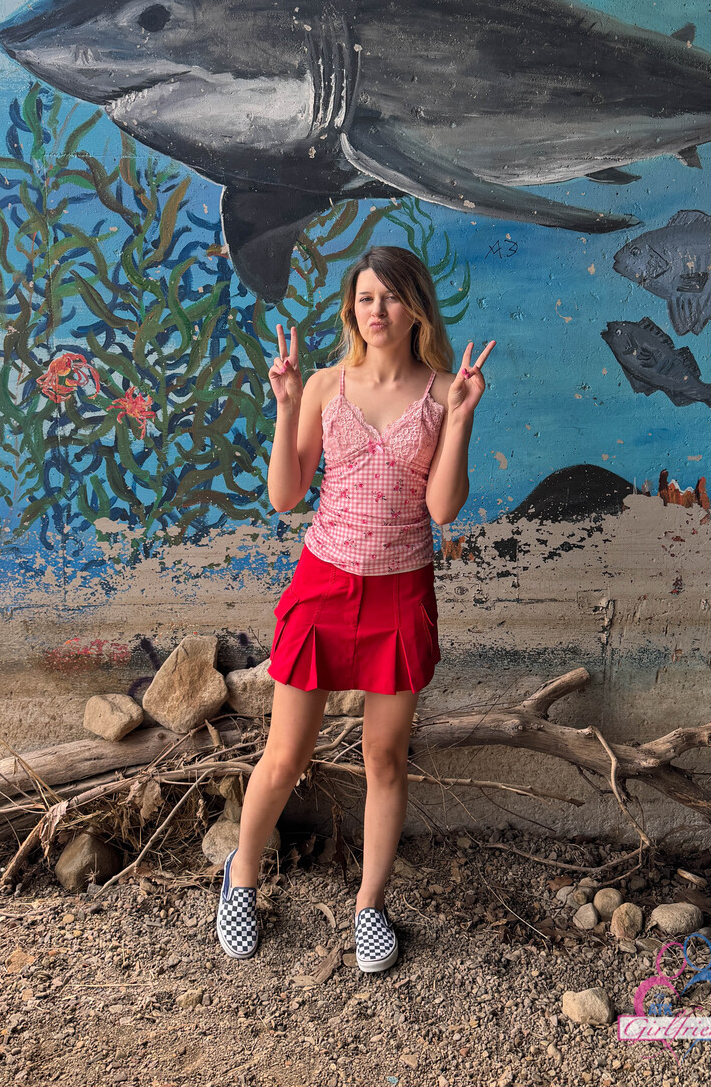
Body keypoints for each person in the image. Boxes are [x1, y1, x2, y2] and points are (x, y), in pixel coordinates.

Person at [216, 244, 494, 971]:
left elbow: (442, 509)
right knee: (286, 755)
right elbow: (285, 496)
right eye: (366, 297)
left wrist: (461, 419)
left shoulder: (444, 392)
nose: (377, 310)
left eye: (391, 297)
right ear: (351, 308)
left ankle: (370, 905)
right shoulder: (322, 386)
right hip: (323, 587)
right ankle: (241, 876)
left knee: (385, 760)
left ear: (416, 309)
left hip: (400, 593)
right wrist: (284, 407)